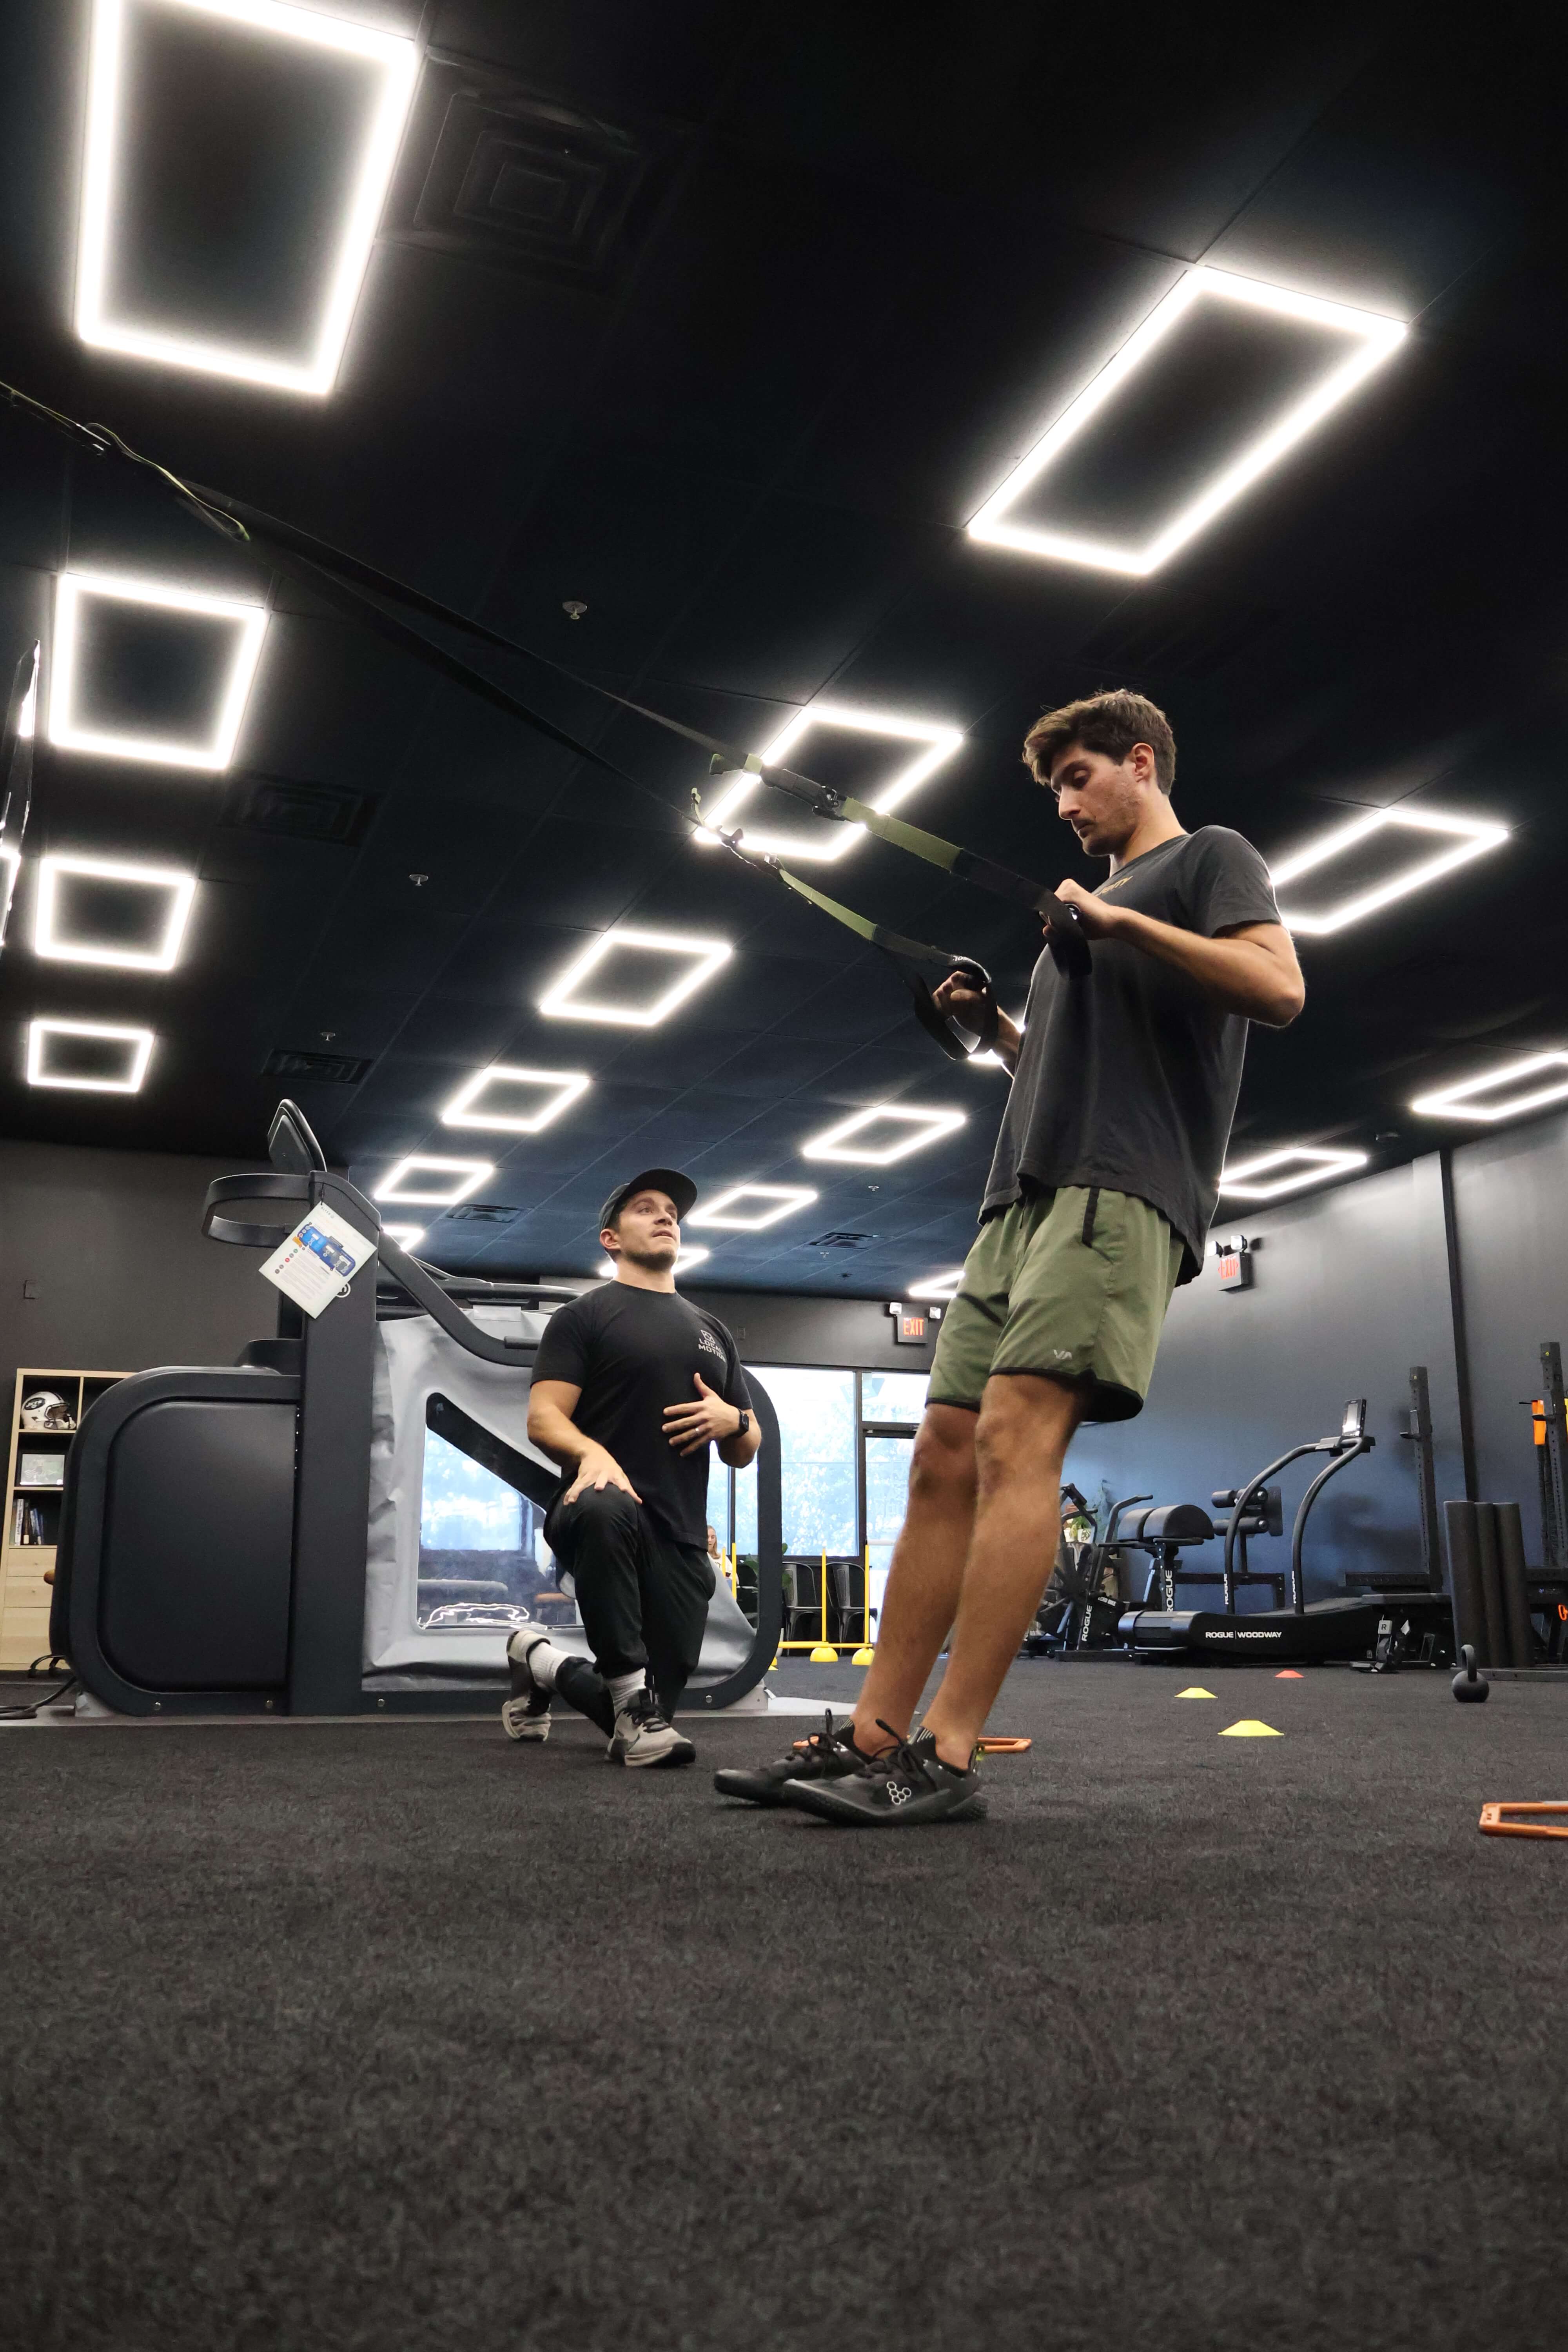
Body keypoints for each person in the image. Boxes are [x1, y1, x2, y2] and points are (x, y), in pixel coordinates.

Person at [719, 688, 1303, 1825]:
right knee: (941, 1450)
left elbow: (1279, 988)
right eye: (1055, 793)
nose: (1068, 806)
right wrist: (995, 1029)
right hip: (1020, 1197)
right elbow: (1075, 1059)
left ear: (1143, 762)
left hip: (1122, 1187)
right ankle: (877, 1734)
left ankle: (948, 1754)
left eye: (1081, 779)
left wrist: (1124, 922)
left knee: (1017, 1438)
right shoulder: (1080, 920)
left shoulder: (1204, 861)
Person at [503, 1169, 761, 1767]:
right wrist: (591, 1452)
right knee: (603, 1502)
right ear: (611, 1238)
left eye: (671, 1210)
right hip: (596, 1512)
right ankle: (625, 1698)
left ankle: (539, 1662)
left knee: (646, 1711)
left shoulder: (712, 1331)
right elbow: (544, 1418)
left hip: (677, 1535)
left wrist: (737, 1422)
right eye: (646, 1209)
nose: (665, 1216)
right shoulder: (584, 1318)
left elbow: (745, 1451)